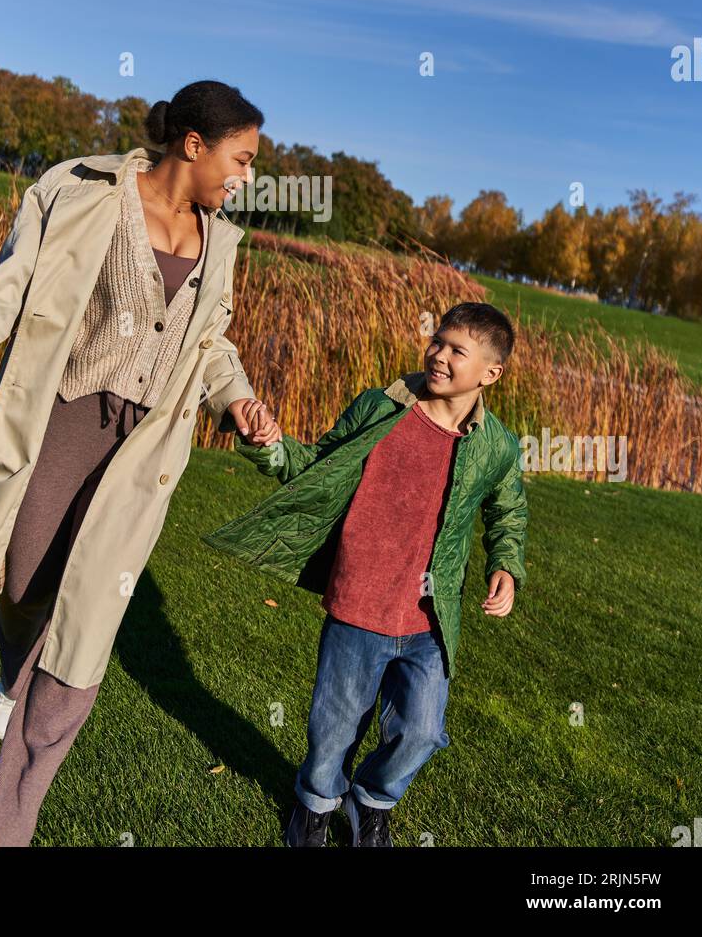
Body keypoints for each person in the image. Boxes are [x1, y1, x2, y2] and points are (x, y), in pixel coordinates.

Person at [0, 80, 280, 847]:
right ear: (192, 145)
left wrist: (235, 401)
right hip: (60, 422)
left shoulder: (223, 240)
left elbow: (212, 347)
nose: (246, 178)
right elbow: (7, 287)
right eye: (240, 160)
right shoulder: (78, 191)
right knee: (27, 585)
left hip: (141, 452)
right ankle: (12, 677)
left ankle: (4, 828)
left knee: (85, 632)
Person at [205, 301, 529, 848]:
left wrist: (506, 565)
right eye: (438, 342)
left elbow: (507, 510)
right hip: (359, 603)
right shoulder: (383, 408)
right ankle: (314, 805)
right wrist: (270, 446)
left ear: (490, 373)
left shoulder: (495, 445)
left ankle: (371, 801)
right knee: (333, 729)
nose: (439, 355)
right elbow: (318, 467)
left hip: (430, 619)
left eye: (457, 351)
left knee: (422, 731)